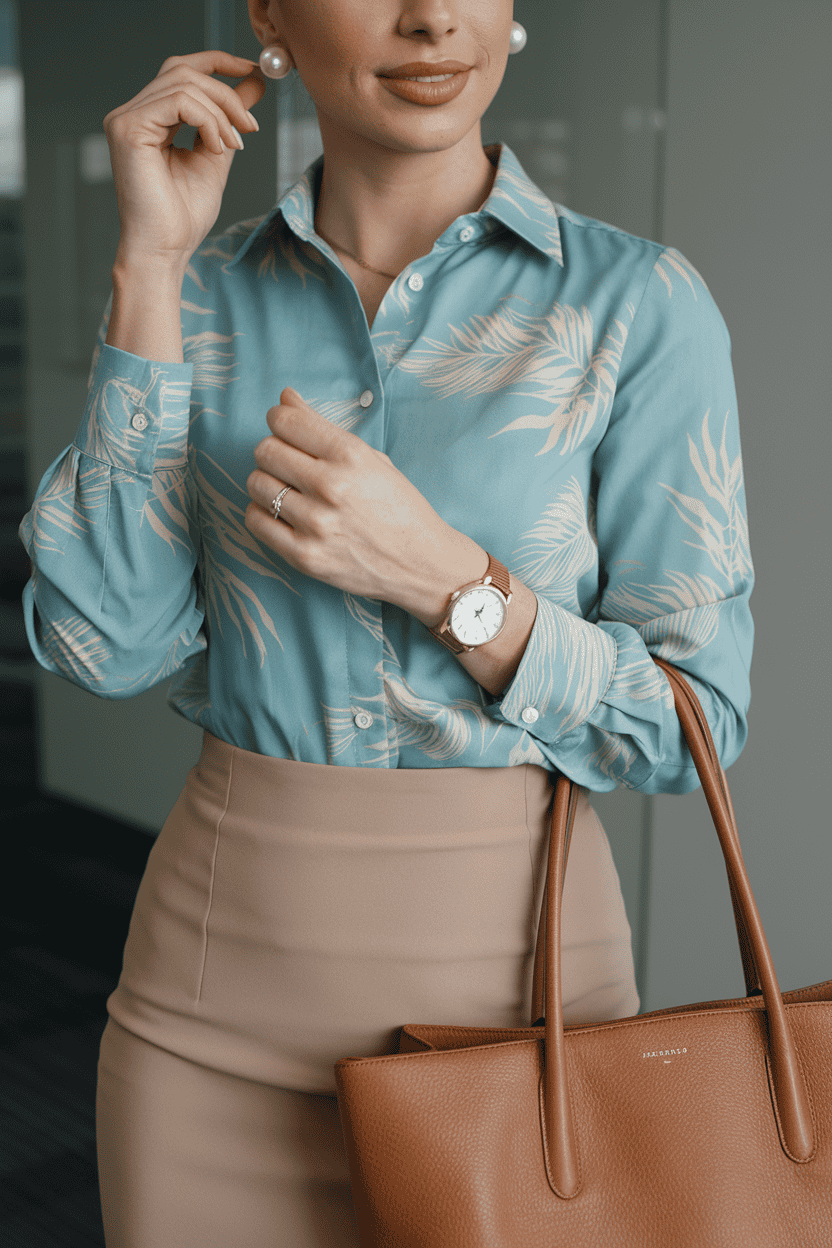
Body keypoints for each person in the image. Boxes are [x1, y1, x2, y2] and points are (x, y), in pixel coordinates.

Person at [18, 2, 754, 1245]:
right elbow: (104, 646)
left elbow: (693, 727)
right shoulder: (193, 295)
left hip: (523, 1003)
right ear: (269, 15)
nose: (430, 16)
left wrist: (453, 584)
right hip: (210, 1007)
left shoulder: (637, 305)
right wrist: (148, 271)